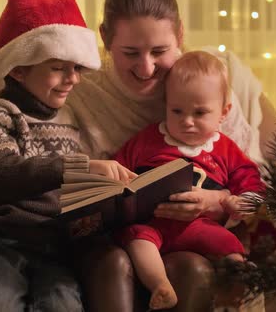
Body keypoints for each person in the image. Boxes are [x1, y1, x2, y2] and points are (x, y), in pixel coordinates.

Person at [66, 0, 273, 311]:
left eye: (159, 52)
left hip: (197, 234)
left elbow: (250, 179)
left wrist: (218, 200)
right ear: (105, 38)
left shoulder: (208, 84)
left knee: (194, 268)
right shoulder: (81, 90)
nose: (146, 68)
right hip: (125, 236)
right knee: (119, 259)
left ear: (179, 34)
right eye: (130, 53)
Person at [0, 0, 135, 311]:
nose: (73, 79)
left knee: (63, 304)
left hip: (55, 246)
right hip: (2, 241)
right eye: (58, 68)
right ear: (19, 69)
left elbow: (67, 193)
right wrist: (81, 166)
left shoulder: (67, 118)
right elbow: (1, 174)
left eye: (77, 69)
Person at [113, 51, 264, 310]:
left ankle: (233, 291)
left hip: (199, 225)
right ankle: (160, 285)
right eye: (177, 111)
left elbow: (248, 178)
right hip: (153, 223)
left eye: (200, 113)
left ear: (223, 112)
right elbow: (120, 167)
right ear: (166, 105)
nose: (187, 122)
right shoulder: (148, 140)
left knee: (229, 245)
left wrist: (241, 201)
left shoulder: (224, 148)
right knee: (137, 239)